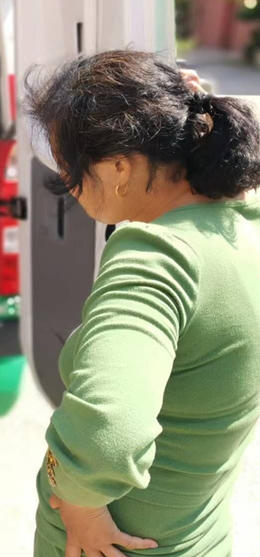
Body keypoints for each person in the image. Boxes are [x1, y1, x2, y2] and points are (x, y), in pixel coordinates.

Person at [26, 50, 260, 557]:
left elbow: (108, 432)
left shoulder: (158, 258)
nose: (69, 188)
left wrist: (79, 502)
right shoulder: (242, 225)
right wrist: (189, 110)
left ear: (118, 168)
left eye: (69, 172)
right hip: (200, 537)